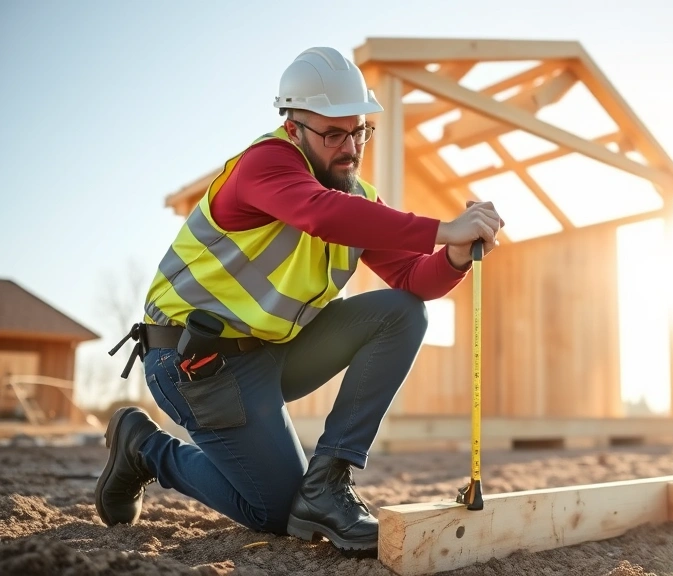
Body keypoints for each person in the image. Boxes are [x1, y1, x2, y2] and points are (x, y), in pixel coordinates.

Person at [96, 46, 504, 554]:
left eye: (359, 131)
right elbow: (316, 213)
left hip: (270, 356)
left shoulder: (356, 200)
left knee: (401, 313)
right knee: (272, 513)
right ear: (293, 130)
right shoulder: (263, 165)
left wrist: (456, 256)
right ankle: (145, 449)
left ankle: (329, 483)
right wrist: (443, 227)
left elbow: (412, 279)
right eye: (333, 134)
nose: (351, 147)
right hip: (194, 363)